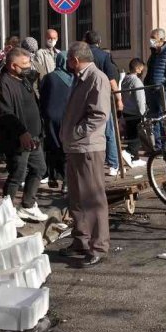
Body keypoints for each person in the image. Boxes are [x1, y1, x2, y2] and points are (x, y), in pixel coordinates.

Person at [59, 42, 112, 268]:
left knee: (93, 197)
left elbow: (99, 114)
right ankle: (81, 240)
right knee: (77, 196)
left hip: (88, 146)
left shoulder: (96, 78)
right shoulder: (81, 77)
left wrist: (76, 132)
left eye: (68, 60)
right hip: (76, 146)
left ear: (75, 60)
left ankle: (98, 245)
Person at [0, 48, 49, 223]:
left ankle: (28, 204)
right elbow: (5, 113)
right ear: (12, 65)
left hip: (34, 136)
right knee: (17, 174)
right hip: (18, 138)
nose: (28, 67)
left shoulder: (23, 79)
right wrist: (21, 132)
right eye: (24, 64)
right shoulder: (3, 83)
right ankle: (7, 212)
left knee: (39, 168)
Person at [84, 32, 121, 174]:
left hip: (86, 96)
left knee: (90, 131)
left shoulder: (83, 56)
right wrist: (119, 99)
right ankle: (113, 163)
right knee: (109, 130)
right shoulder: (104, 56)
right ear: (99, 41)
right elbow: (112, 79)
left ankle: (94, 163)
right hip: (103, 97)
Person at [40, 61, 74, 190]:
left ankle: (52, 177)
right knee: (66, 149)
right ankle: (66, 182)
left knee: (52, 146)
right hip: (67, 117)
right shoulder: (73, 78)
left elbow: (42, 96)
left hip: (51, 117)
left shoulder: (49, 77)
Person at [144, 28, 166, 129]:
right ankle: (158, 144)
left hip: (164, 91)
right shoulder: (153, 53)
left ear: (162, 39)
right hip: (152, 90)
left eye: (153, 38)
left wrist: (164, 88)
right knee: (154, 118)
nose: (151, 40)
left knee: (165, 118)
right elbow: (150, 71)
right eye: (151, 38)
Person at [120, 58, 146, 157]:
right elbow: (140, 99)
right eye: (142, 69)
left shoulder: (125, 79)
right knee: (137, 137)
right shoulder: (136, 81)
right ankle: (129, 152)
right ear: (137, 69)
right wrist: (143, 113)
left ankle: (134, 157)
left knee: (131, 135)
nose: (142, 71)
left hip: (127, 111)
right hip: (135, 112)